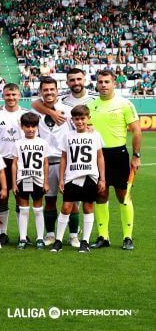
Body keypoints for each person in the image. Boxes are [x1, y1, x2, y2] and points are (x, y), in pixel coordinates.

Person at [88, 70, 140, 250]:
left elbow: (137, 130)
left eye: (107, 82)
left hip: (118, 154)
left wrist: (136, 155)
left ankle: (127, 237)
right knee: (101, 194)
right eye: (100, 82)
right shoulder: (91, 105)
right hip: (97, 155)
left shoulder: (125, 104)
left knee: (123, 195)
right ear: (96, 84)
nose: (103, 85)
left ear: (114, 84)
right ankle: (103, 236)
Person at [34, 77, 80, 246]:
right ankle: (51, 234)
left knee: (72, 201)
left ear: (57, 90)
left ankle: (73, 235)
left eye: (52, 89)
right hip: (46, 163)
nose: (49, 93)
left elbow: (79, 131)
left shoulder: (68, 111)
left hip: (67, 163)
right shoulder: (34, 112)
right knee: (50, 200)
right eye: (45, 90)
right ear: (40, 92)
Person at [54, 105, 106, 253]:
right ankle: (58, 241)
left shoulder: (95, 135)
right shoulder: (68, 136)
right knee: (66, 207)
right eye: (76, 119)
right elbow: (63, 158)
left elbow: (100, 157)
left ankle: (85, 241)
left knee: (88, 207)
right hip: (72, 177)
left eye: (82, 118)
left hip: (90, 176)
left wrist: (102, 179)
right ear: (72, 120)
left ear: (88, 118)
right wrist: (62, 179)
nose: (79, 122)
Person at [0, 83, 28, 244]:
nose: (11, 98)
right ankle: (2, 233)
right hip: (2, 162)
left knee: (21, 198)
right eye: (7, 95)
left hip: (22, 161)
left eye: (14, 95)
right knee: (1, 197)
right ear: (3, 95)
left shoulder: (26, 115)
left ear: (19, 96)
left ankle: (23, 235)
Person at [6, 113, 49, 250]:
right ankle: (23, 238)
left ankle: (40, 238)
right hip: (23, 179)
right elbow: (14, 163)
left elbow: (45, 163)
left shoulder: (43, 143)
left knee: (37, 209)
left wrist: (46, 182)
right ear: (22, 127)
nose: (30, 129)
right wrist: (13, 183)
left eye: (33, 126)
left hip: (38, 180)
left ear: (37, 127)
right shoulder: (18, 143)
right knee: (23, 209)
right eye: (27, 126)